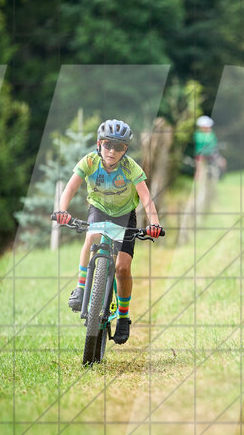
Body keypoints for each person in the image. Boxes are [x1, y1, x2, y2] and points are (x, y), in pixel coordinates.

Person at [53, 119, 162, 345]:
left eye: (119, 147)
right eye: (107, 145)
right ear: (99, 143)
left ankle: (123, 317)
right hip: (99, 210)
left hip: (125, 216)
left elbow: (146, 198)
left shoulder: (131, 167)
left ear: (125, 150)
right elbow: (70, 188)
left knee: (123, 268)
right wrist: (62, 211)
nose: (112, 151)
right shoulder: (90, 162)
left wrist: (154, 224)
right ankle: (81, 288)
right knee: (91, 236)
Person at [194, 115, 225, 180]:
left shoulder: (211, 134)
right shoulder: (198, 134)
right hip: (201, 155)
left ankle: (220, 177)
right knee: (200, 170)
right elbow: (201, 143)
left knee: (222, 162)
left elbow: (214, 144)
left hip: (212, 155)